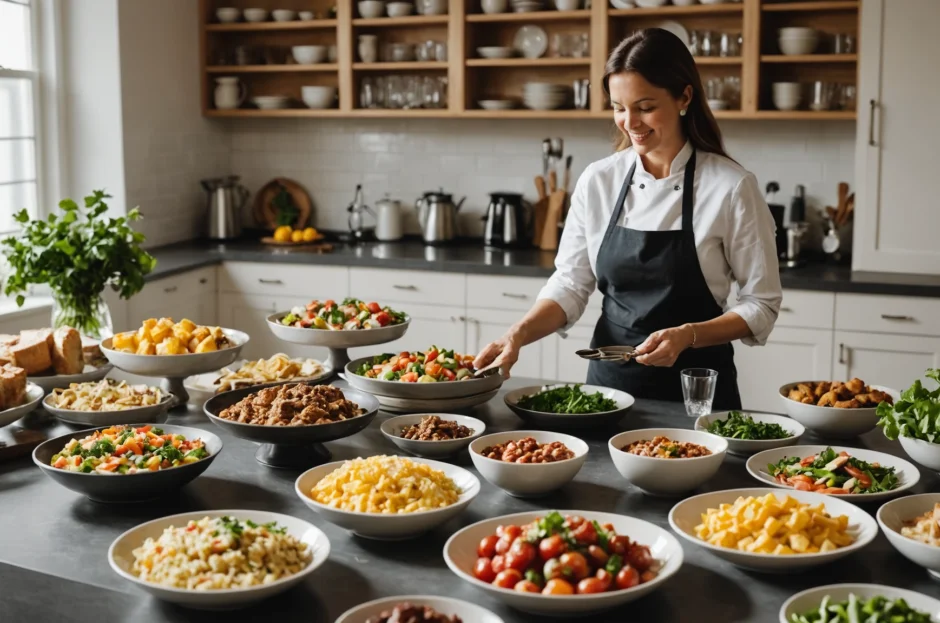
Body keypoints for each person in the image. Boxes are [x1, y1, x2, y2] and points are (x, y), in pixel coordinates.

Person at [473, 28, 782, 410]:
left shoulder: (731, 187)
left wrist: (688, 335)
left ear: (684, 97)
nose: (629, 122)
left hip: (698, 396)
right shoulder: (598, 180)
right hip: (607, 393)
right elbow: (571, 283)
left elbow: (761, 305)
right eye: (619, 107)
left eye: (645, 106)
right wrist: (517, 334)